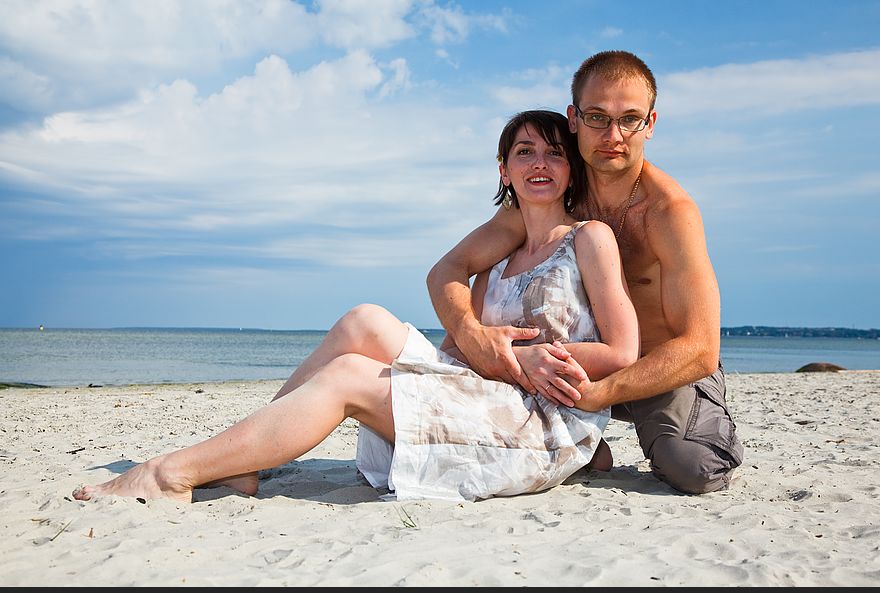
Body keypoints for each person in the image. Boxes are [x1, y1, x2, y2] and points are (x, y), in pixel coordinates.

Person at [73, 110, 638, 504]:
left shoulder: (588, 238)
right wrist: (467, 336)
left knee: (349, 378)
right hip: (484, 386)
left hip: (538, 420)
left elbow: (622, 350)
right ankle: (245, 464)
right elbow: (446, 286)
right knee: (363, 319)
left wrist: (544, 354)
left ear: (571, 168)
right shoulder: (501, 245)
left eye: (554, 153)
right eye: (525, 152)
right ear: (504, 169)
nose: (539, 163)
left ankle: (170, 474)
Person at [426, 51, 744, 494]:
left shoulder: (670, 213)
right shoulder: (551, 195)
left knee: (692, 468)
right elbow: (449, 269)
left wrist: (602, 394)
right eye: (597, 117)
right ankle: (583, 446)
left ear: (650, 124)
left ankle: (645, 429)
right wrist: (472, 334)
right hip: (566, 367)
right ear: (574, 118)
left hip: (657, 369)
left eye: (630, 119)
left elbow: (701, 349)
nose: (613, 135)